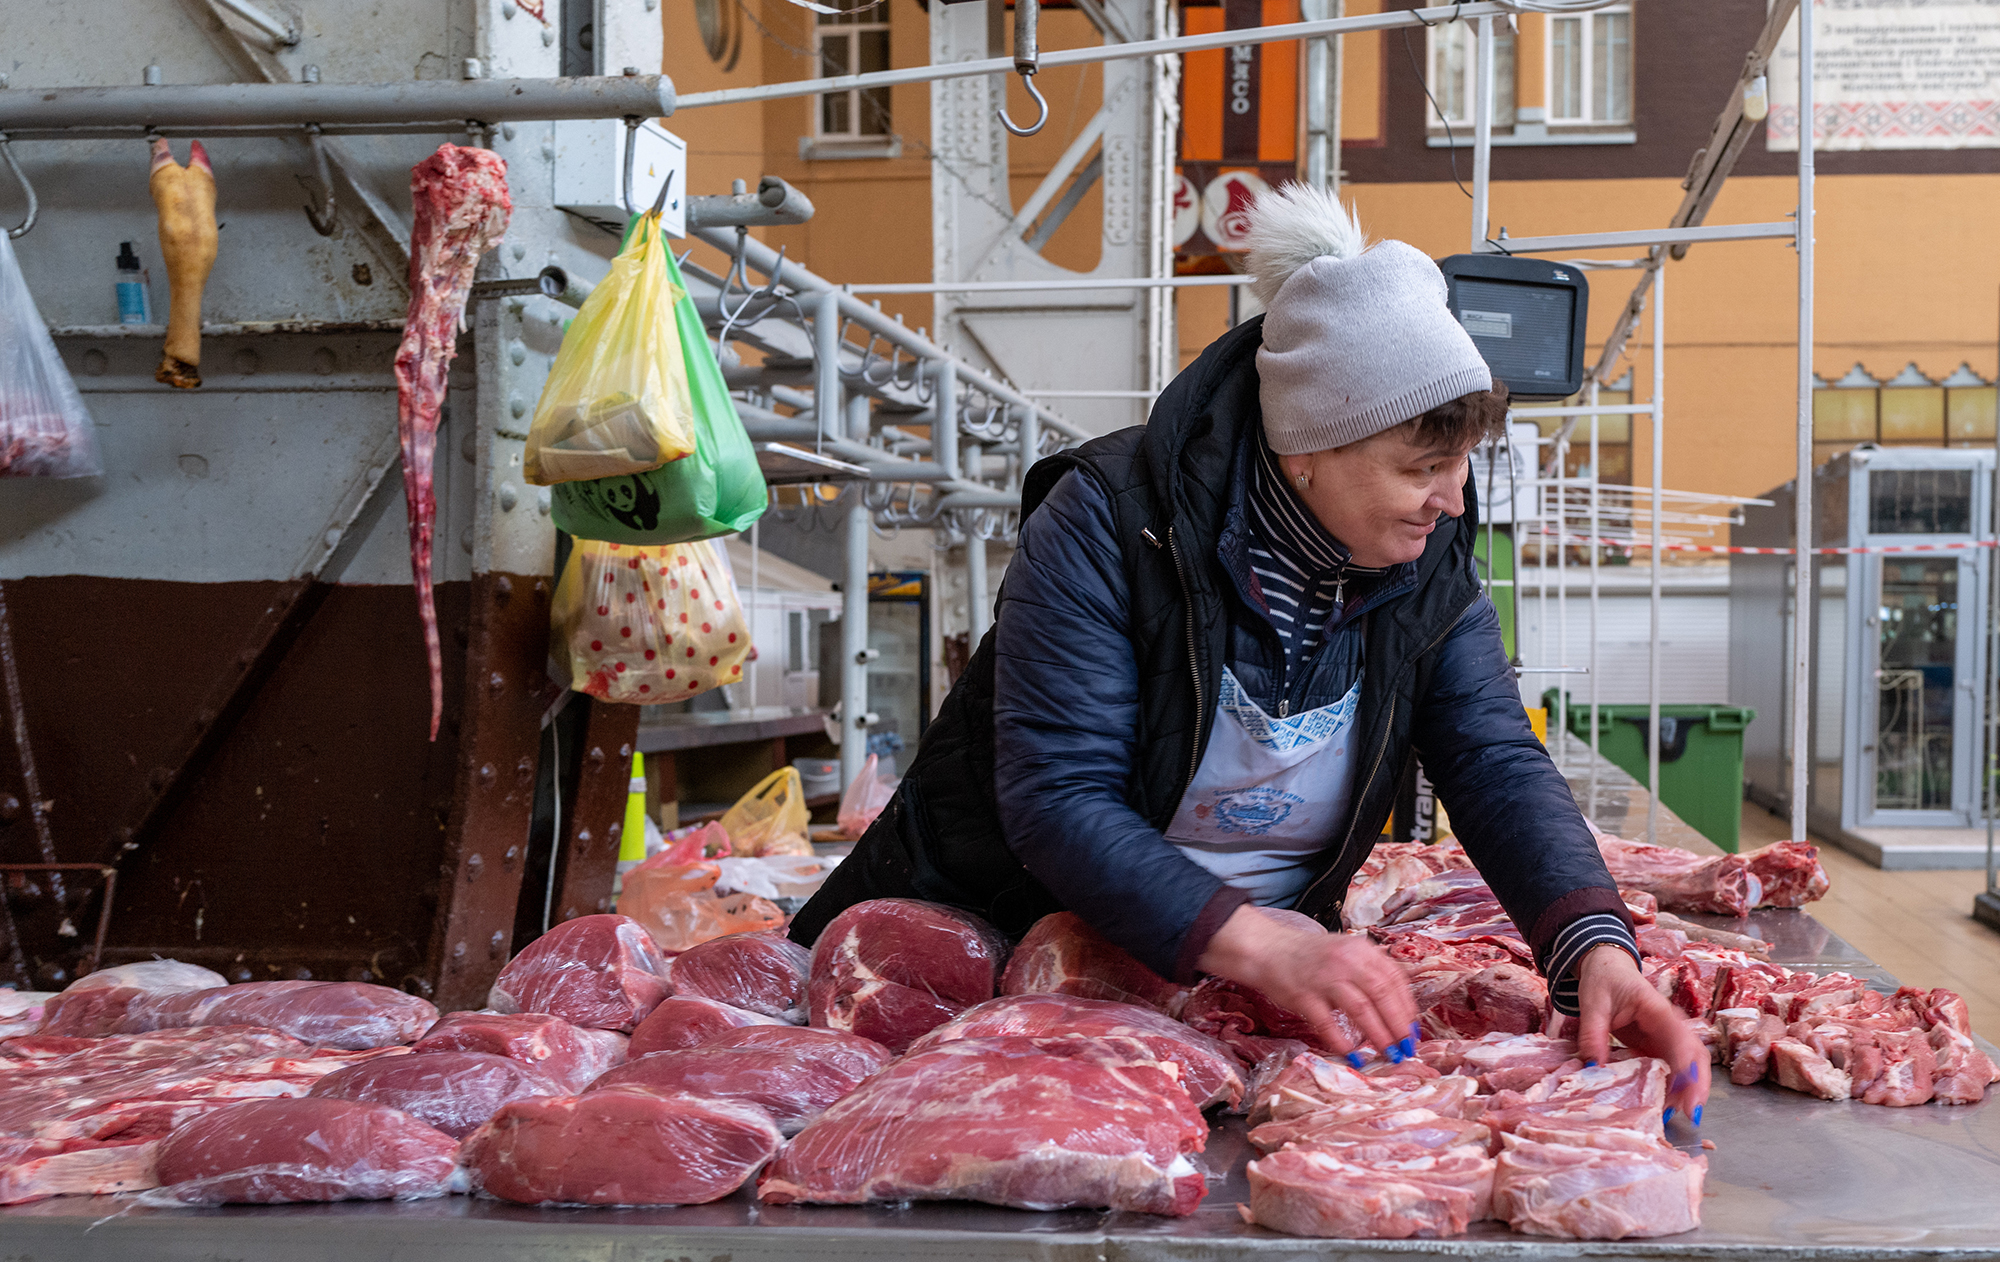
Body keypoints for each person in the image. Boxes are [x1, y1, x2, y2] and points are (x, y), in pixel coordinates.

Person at [791, 186, 1710, 1119]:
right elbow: (1060, 797)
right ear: (1308, 447)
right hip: (985, 961)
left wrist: (1592, 946)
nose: (1453, 502)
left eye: (1464, 463)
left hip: (1227, 999)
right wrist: (1263, 943)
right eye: (1421, 467)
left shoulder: (1427, 566)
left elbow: (1492, 760)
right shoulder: (1112, 522)